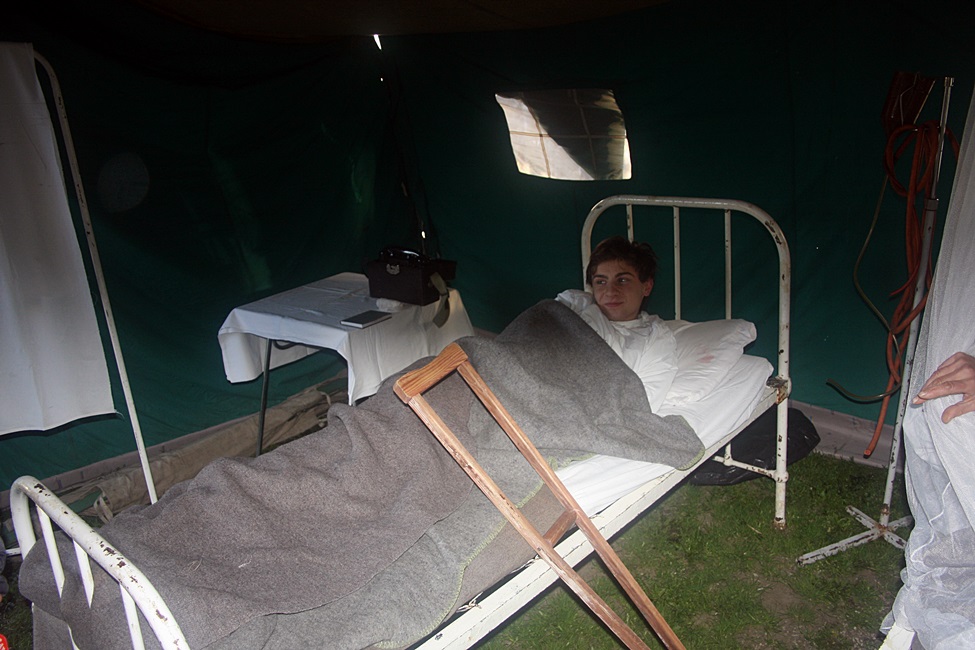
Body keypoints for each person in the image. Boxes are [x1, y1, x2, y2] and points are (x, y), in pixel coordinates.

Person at [556, 236, 678, 412]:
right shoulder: (573, 303)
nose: (610, 291)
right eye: (601, 282)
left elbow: (642, 404)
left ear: (646, 286)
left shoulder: (655, 338)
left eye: (622, 280)